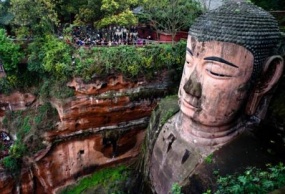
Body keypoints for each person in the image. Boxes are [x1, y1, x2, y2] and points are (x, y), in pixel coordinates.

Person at [148, 1, 284, 193]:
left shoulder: (244, 168)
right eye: (188, 61)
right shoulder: (163, 114)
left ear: (266, 78)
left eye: (216, 71)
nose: (189, 87)